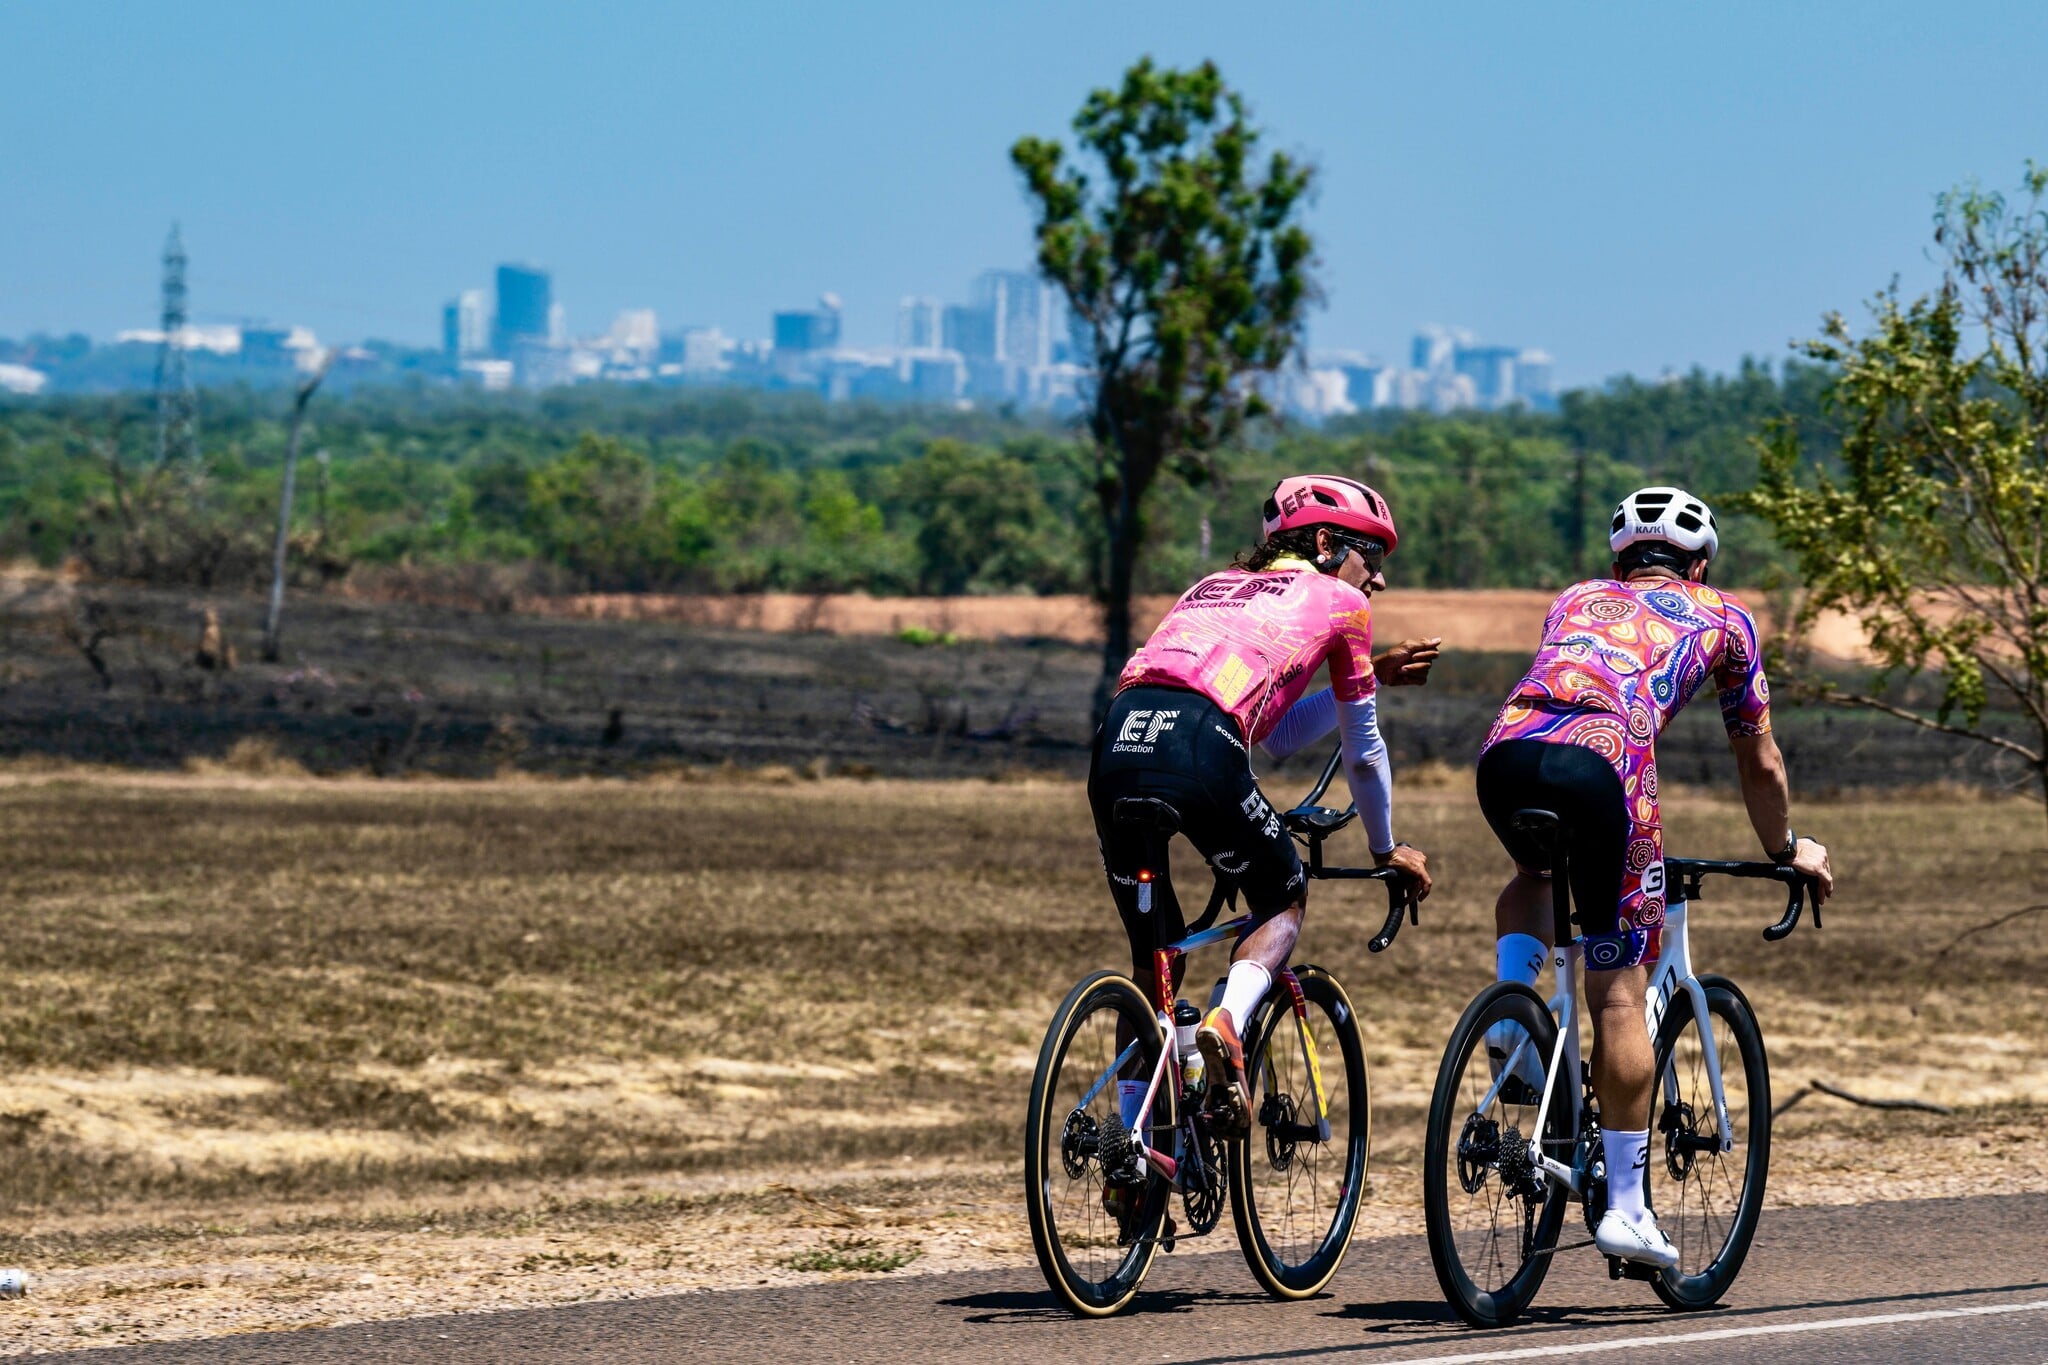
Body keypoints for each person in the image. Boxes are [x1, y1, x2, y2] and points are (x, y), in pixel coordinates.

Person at [1474, 486, 1834, 1268]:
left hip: (1505, 753)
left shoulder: (1575, 597)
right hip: (1606, 764)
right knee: (1617, 992)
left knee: (1536, 869)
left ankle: (1511, 1019)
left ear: (1621, 563)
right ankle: (1629, 1211)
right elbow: (1760, 759)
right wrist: (1785, 847)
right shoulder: (1725, 616)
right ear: (1698, 566)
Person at [1089, 474, 1436, 1146]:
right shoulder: (1341, 602)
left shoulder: (1210, 587)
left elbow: (1278, 735)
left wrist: (1377, 675)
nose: (1380, 579)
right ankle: (1227, 1022)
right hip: (1200, 744)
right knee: (1281, 893)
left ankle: (1136, 1150)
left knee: (1154, 962)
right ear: (1328, 543)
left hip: (1117, 741)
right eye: (1373, 556)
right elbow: (1365, 753)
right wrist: (1384, 847)